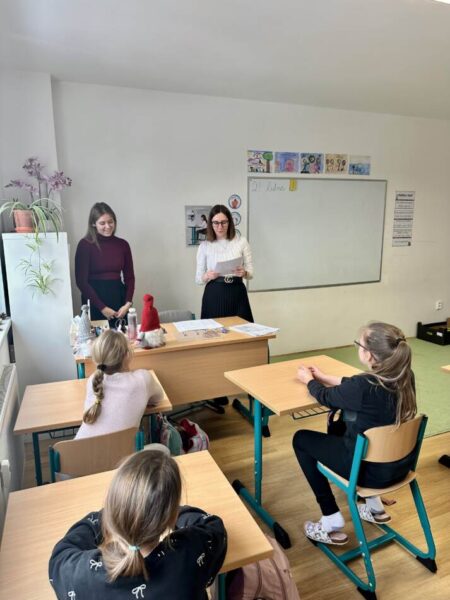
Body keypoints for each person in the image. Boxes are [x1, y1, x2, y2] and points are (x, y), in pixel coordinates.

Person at [293, 322, 417, 545]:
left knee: (301, 439)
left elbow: (326, 397)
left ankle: (330, 517)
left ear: (368, 354)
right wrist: (325, 377)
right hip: (398, 468)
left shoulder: (363, 386)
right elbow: (354, 386)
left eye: (358, 344)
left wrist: (309, 381)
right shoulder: (405, 377)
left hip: (366, 473)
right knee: (343, 424)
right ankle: (375, 506)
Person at [49, 450, 227, 599]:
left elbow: (60, 556)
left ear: (112, 510)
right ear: (171, 517)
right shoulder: (190, 552)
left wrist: (110, 513)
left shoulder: (80, 576)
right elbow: (212, 526)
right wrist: (169, 510)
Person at [76, 329, 164, 439]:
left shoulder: (93, 380)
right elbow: (158, 398)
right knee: (161, 448)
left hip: (78, 447)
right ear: (127, 355)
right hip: (120, 450)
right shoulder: (143, 379)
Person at [75, 202, 135, 328]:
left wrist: (127, 303)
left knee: (122, 338)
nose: (107, 226)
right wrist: (102, 307)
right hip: (94, 301)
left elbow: (129, 277)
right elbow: (81, 282)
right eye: (102, 223)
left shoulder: (123, 245)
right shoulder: (85, 245)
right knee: (98, 339)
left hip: (119, 300)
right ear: (93, 223)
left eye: (110, 222)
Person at [195, 204, 254, 323]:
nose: (220, 226)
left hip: (237, 292)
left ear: (229, 222)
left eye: (224, 222)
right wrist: (207, 276)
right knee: (214, 332)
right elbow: (198, 279)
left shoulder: (241, 242)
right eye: (216, 223)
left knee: (243, 330)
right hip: (214, 293)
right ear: (211, 224)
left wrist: (244, 273)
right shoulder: (204, 246)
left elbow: (251, 273)